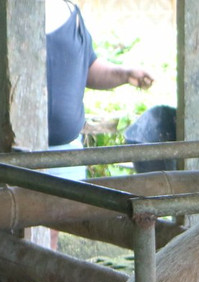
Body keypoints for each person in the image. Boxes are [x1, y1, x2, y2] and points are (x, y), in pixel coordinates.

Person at [46, 0, 154, 181]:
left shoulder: (72, 14)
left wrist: (125, 74)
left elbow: (87, 67)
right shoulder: (11, 12)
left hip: (67, 156)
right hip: (14, 154)